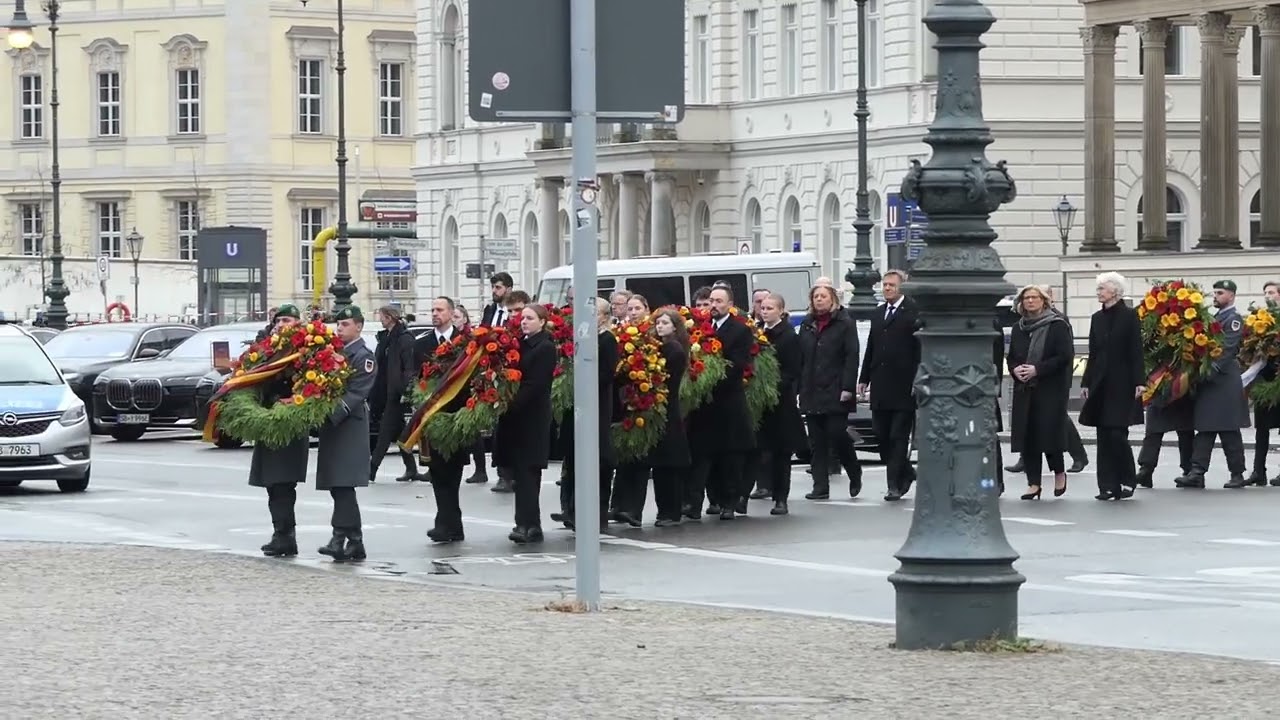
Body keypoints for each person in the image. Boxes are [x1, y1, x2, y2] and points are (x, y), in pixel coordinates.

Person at [685, 286, 757, 519]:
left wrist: (710, 373)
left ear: (729, 304)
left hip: (728, 402)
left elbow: (737, 365)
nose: (713, 305)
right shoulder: (699, 328)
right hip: (704, 405)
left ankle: (729, 502)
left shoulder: (740, 330)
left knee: (730, 458)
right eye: (711, 301)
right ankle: (699, 502)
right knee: (703, 456)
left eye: (718, 301)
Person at [316, 305, 377, 562]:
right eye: (338, 325)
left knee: (343, 485)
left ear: (359, 327)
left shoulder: (363, 356)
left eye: (345, 325)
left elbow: (357, 392)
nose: (339, 329)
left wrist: (330, 411)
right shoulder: (334, 353)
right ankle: (355, 542)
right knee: (337, 485)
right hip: (335, 426)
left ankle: (339, 538)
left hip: (349, 424)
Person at [249, 305, 311, 558]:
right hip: (268, 419)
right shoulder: (268, 349)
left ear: (297, 322)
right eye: (278, 320)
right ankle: (281, 534)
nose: (281, 324)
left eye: (286, 319)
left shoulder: (306, 349)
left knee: (283, 483)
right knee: (272, 484)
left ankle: (285, 536)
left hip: (289, 422)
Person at [1078, 272, 1144, 501]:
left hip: (1123, 383)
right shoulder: (1096, 318)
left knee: (1118, 434)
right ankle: (1107, 485)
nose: (1098, 293)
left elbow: (1136, 351)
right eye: (1098, 289)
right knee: (1103, 435)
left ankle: (1127, 479)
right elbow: (1093, 353)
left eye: (1102, 289)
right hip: (1100, 382)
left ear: (1115, 291)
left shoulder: (1130, 316)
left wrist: (1140, 381)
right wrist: (1086, 381)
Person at [554, 298, 618, 531]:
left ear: (603, 316)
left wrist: (581, 383)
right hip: (576, 406)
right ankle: (572, 510)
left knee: (596, 460)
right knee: (573, 458)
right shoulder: (580, 336)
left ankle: (597, 513)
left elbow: (606, 374)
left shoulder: (607, 339)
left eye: (593, 313)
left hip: (596, 407)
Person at [496, 305, 557, 543]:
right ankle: (527, 523)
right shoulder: (518, 344)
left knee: (528, 472)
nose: (524, 322)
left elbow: (536, 384)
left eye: (530, 318)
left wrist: (510, 404)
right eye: (522, 318)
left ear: (542, 322)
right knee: (520, 474)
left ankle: (528, 524)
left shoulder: (545, 347)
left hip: (532, 416)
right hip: (515, 417)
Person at [1007, 285, 1074, 500]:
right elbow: (1012, 356)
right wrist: (1015, 368)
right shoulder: (1019, 327)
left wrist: (1038, 369)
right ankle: (1033, 483)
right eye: (1026, 298)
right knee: (1028, 437)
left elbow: (1064, 356)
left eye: (1034, 298)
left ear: (1044, 301)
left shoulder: (1057, 325)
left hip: (1049, 389)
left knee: (1049, 435)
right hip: (1024, 388)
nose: (1030, 301)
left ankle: (1059, 473)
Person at [1182, 279, 1250, 489]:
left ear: (1231, 295)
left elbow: (1228, 348)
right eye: (1215, 293)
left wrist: (1209, 372)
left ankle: (1237, 473)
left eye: (1220, 293)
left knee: (1229, 429)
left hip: (1223, 380)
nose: (1216, 297)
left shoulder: (1233, 319)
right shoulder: (1213, 317)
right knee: (1205, 428)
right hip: (1209, 380)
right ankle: (1197, 472)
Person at [858, 270, 920, 501]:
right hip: (881, 384)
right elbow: (871, 348)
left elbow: (919, 349)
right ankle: (907, 471)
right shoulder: (878, 313)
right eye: (884, 285)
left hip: (904, 385)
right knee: (881, 434)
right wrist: (864, 378)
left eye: (891, 285)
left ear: (901, 287)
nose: (886, 289)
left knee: (898, 436)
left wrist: (918, 378)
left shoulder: (913, 313)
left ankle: (894, 484)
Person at [797, 284, 862, 500]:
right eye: (816, 296)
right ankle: (820, 486)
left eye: (823, 296)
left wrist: (847, 387)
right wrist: (799, 387)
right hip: (811, 390)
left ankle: (854, 469)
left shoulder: (845, 323)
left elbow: (851, 356)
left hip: (835, 388)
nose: (819, 300)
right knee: (816, 441)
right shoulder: (807, 324)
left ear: (832, 299)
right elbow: (802, 359)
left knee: (836, 433)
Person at [421, 301, 470, 543]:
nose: (435, 314)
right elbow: (415, 376)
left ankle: (451, 523)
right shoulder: (422, 344)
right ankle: (446, 523)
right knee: (437, 472)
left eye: (439, 310)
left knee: (454, 472)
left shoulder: (466, 343)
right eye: (433, 311)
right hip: (431, 417)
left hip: (456, 415)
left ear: (452, 313)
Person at [755, 293, 804, 515]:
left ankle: (780, 497)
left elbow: (792, 370)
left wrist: (773, 386)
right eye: (763, 308)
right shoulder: (758, 333)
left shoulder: (788, 336)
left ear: (780, 311)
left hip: (781, 402)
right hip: (761, 403)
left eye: (770, 308)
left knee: (781, 453)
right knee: (760, 450)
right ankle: (756, 490)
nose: (764, 311)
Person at [369, 305, 422, 483]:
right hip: (385, 389)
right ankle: (411, 468)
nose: (380, 319)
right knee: (399, 431)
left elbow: (408, 367)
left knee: (385, 431)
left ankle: (371, 469)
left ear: (390, 317)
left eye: (382, 316)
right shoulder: (385, 337)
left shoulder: (404, 338)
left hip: (397, 391)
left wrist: (406, 389)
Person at [1249, 280, 1280, 487]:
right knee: (1262, 429)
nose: (1268, 296)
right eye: (1265, 292)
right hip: (1264, 381)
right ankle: (1258, 471)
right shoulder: (1261, 319)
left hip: (1278, 380)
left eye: (1271, 292)